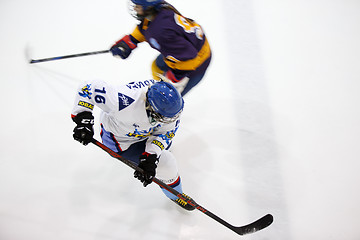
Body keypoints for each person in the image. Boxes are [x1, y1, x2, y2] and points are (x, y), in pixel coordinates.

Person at [71, 78, 195, 211]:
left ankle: (168, 182)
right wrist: (83, 120)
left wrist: (151, 155)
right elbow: (88, 88)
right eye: (162, 117)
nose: (169, 120)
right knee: (167, 164)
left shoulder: (169, 108)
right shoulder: (123, 101)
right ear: (149, 105)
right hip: (121, 142)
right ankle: (176, 195)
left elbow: (166, 131)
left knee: (160, 155)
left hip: (143, 132)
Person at [110, 0, 211, 96]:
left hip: (196, 65)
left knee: (167, 102)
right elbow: (146, 27)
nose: (135, 9)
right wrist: (131, 40)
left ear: (148, 7)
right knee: (156, 67)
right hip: (188, 49)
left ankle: (164, 109)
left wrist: (174, 78)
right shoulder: (159, 10)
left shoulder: (161, 32)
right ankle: (159, 89)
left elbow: (190, 58)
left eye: (138, 6)